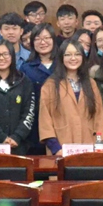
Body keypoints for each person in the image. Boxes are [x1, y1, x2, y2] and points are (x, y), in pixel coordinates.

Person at [39, 38, 103, 154]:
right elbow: (45, 120)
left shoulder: (91, 84)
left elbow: (99, 118)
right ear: (61, 58)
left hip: (89, 149)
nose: (73, 58)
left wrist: (99, 144)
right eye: (68, 55)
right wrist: (56, 148)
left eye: (77, 54)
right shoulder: (50, 85)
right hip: (61, 149)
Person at [20, 23, 59, 154]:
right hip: (35, 125)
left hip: (61, 122)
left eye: (47, 38)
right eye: (37, 39)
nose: (42, 42)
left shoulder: (62, 65)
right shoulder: (26, 67)